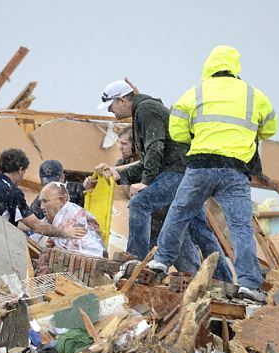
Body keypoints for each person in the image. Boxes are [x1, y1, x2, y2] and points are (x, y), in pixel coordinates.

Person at [150, 45, 278, 302]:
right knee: (240, 226)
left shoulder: (196, 92)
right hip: (235, 171)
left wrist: (195, 136)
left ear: (209, 66)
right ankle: (249, 285)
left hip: (201, 166)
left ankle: (161, 262)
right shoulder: (254, 95)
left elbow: (176, 130)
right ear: (235, 67)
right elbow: (270, 128)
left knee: (179, 212)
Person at [92, 80, 230, 279]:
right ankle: (225, 279)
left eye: (111, 106)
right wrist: (120, 174)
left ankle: (134, 260)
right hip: (189, 172)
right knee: (200, 229)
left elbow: (155, 148)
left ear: (122, 100)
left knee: (140, 203)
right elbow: (153, 158)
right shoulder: (145, 110)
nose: (110, 112)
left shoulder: (146, 110)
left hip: (180, 172)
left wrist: (145, 182)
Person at [0, 148, 86, 240]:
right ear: (20, 169)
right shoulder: (11, 192)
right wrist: (64, 232)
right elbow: (37, 226)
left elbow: (16, 222)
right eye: (24, 172)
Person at [39, 182, 104, 257]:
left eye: (45, 201)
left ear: (61, 200)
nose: (41, 207)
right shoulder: (57, 216)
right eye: (41, 202)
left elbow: (90, 254)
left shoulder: (77, 217)